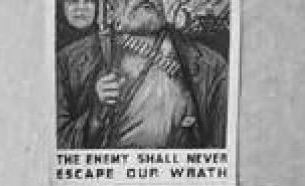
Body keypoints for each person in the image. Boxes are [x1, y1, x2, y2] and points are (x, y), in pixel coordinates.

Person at [57, 0, 228, 149]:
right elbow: (59, 145)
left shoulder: (211, 66)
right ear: (109, 7)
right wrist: (96, 114)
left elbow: (221, 145)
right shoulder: (69, 62)